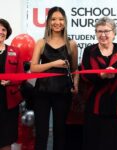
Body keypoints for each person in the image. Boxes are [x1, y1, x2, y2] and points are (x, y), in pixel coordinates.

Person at [81, 17, 117, 150]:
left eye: (106, 31)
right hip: (96, 105)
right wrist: (101, 75)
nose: (103, 35)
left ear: (114, 33)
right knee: (96, 143)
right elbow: (85, 76)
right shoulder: (89, 51)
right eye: (99, 31)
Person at [30, 6, 78, 150]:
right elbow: (33, 68)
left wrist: (75, 85)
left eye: (61, 19)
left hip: (63, 93)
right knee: (41, 133)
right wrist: (53, 63)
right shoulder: (41, 42)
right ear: (49, 22)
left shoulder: (72, 44)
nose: (57, 22)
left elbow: (75, 69)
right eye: (54, 19)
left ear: (65, 21)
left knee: (60, 132)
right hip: (42, 93)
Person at [0, 19, 23, 150]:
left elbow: (20, 76)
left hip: (9, 102)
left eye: (3, 29)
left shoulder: (15, 51)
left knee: (6, 139)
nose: (1, 32)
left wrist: (11, 82)